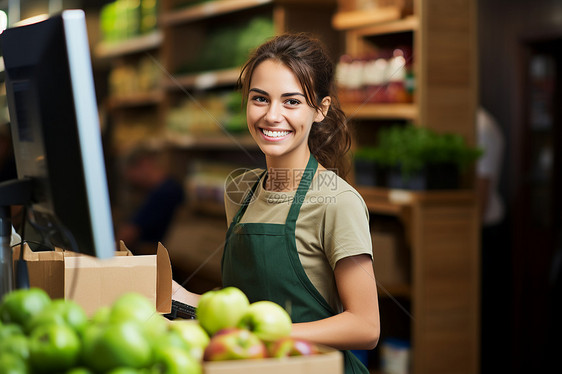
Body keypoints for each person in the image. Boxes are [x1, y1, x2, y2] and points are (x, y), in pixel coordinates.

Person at [173, 33, 380, 373]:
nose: (272, 115)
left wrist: (266, 339)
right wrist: (180, 297)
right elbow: (245, 307)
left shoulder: (338, 201)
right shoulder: (240, 191)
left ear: (320, 110)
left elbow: (366, 326)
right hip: (250, 365)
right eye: (260, 98)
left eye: (292, 101)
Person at [476, 107, 509, 374]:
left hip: (485, 234)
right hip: (474, 234)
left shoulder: (481, 125)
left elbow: (480, 199)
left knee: (485, 316)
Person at [117, 147, 185, 254]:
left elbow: (128, 234)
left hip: (152, 256)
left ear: (144, 164)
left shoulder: (164, 192)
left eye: (131, 173)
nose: (131, 180)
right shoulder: (171, 186)